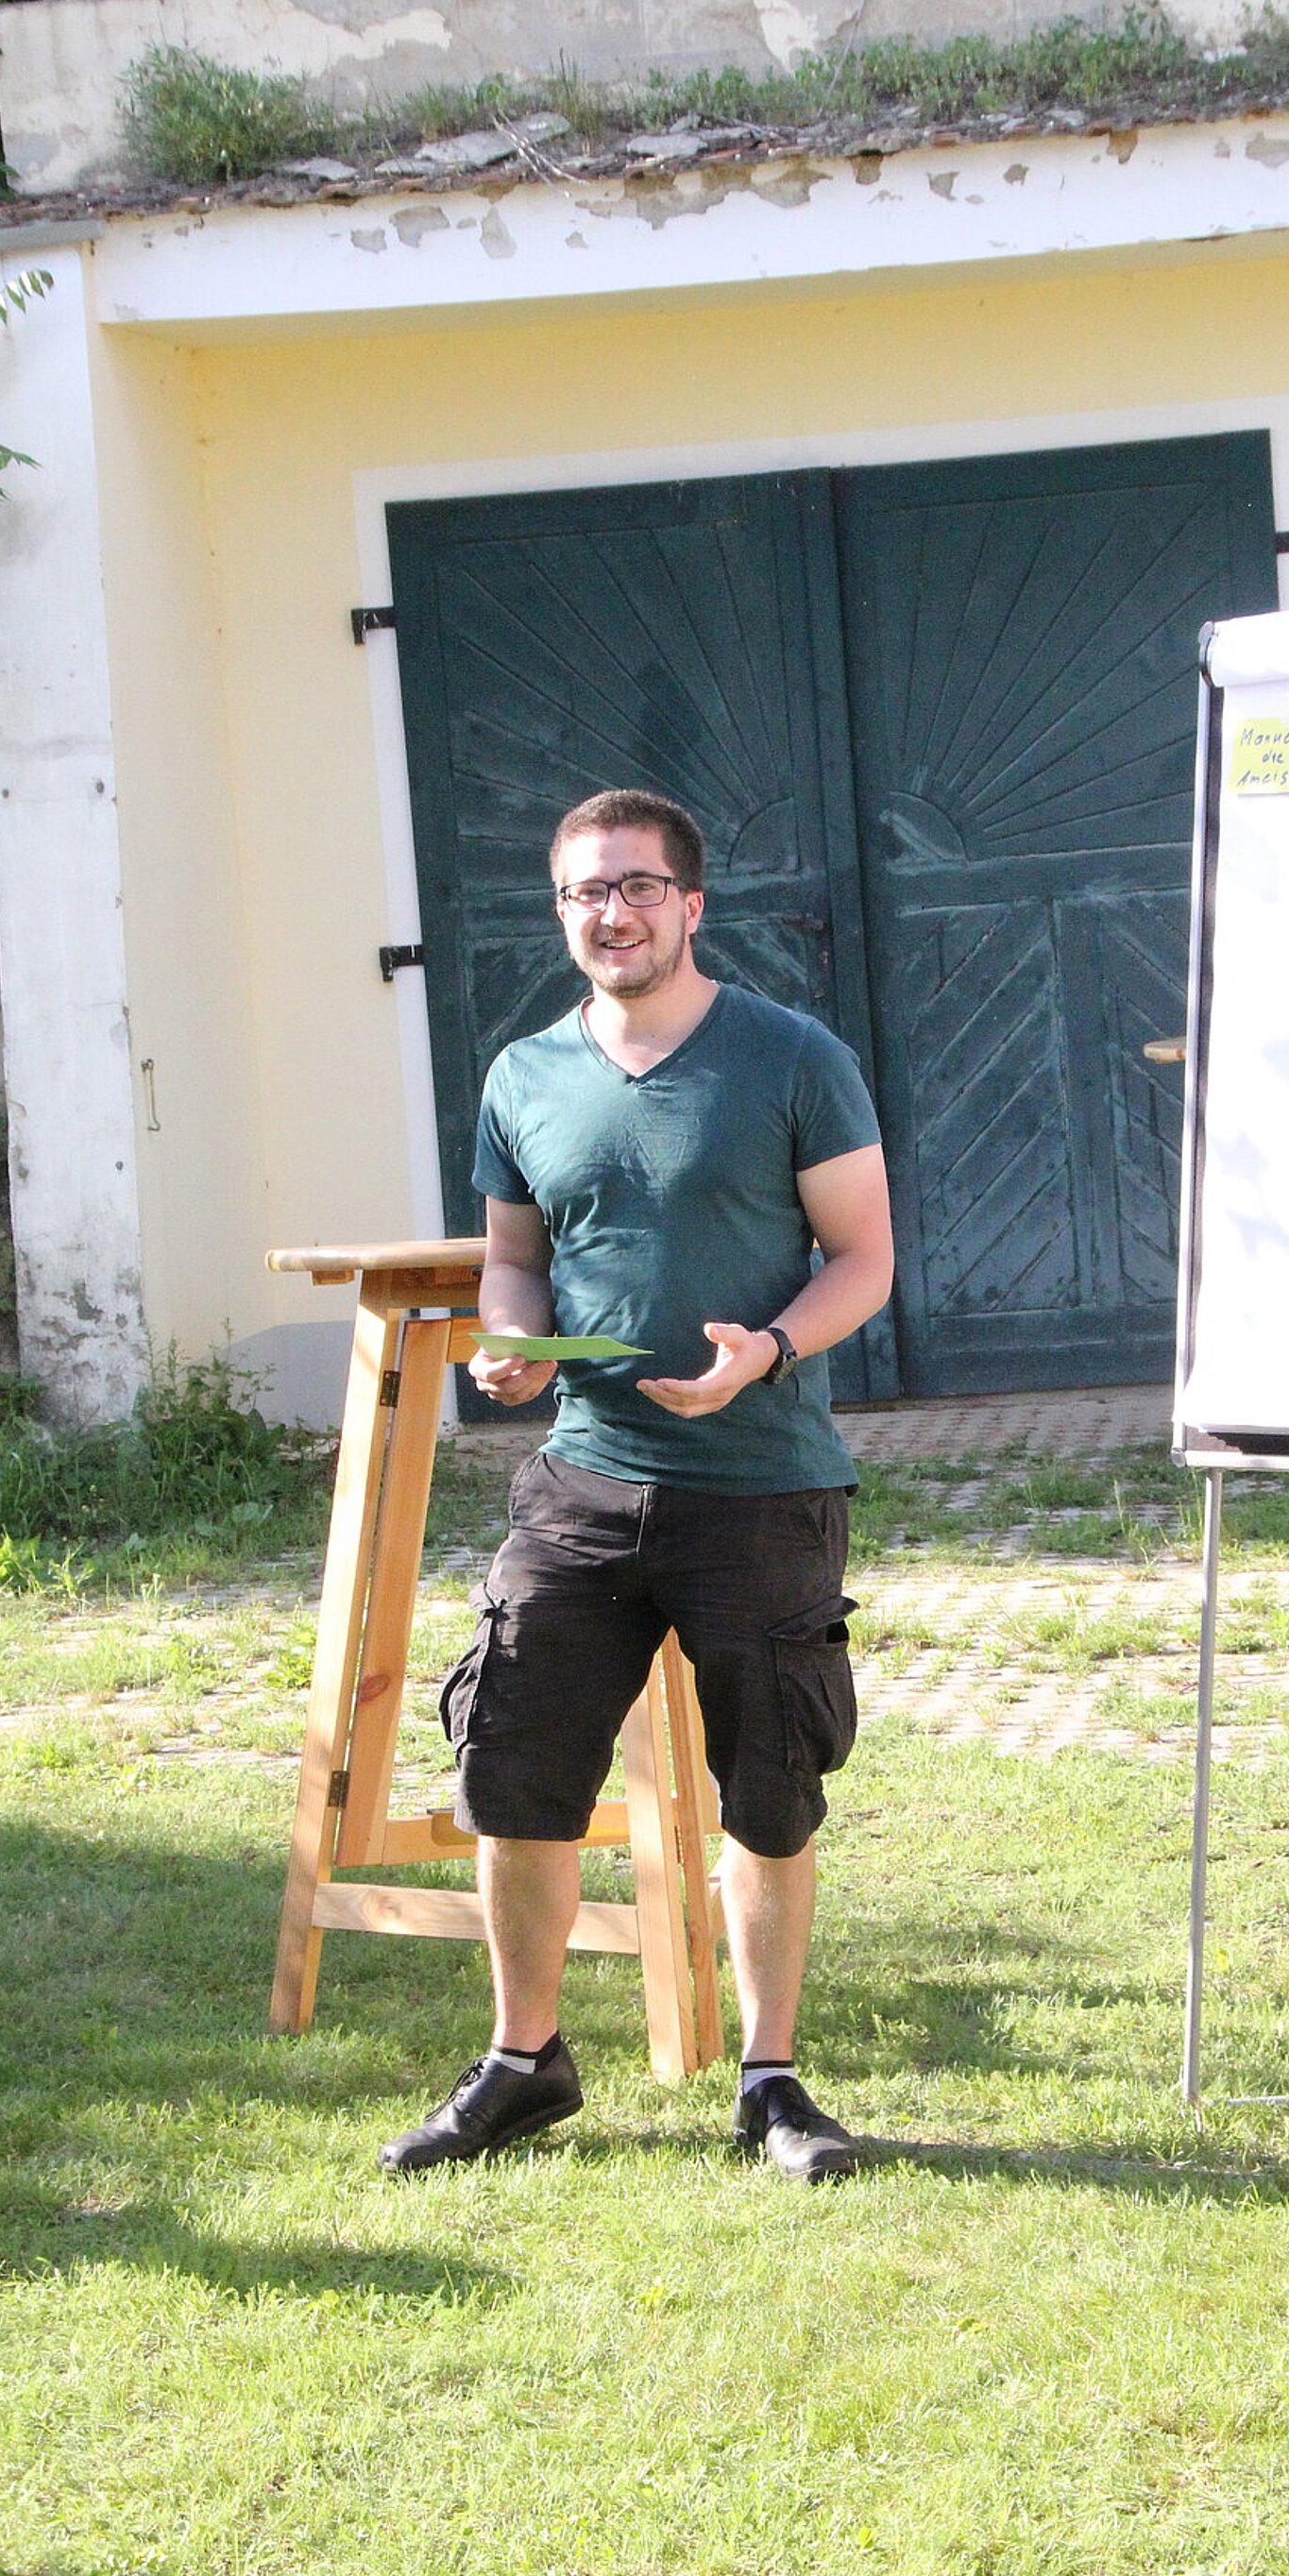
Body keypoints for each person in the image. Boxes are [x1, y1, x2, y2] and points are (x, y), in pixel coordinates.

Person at [382, 788, 895, 2183]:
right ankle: (523, 2061)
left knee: (771, 1786)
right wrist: (508, 1342)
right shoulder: (523, 1075)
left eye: (637, 887)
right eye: (583, 893)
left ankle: (772, 2080)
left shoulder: (792, 1057)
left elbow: (864, 1257)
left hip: (762, 1483)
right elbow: (515, 1260)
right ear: (563, 913)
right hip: (585, 1480)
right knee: (510, 1763)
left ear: (691, 904)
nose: (610, 913)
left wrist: (767, 1350)